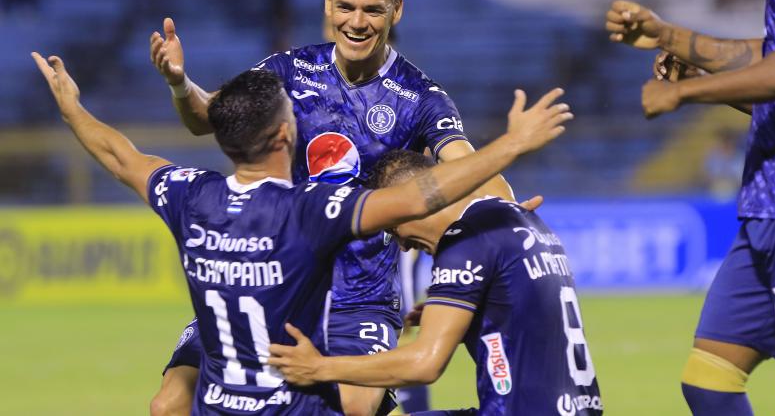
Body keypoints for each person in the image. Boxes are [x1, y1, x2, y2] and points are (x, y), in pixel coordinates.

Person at [33, 51, 572, 415]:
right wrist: (511, 146)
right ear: (287, 134)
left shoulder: (190, 196)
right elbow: (416, 199)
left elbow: (121, 156)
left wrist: (71, 107)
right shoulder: (309, 210)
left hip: (223, 400)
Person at [149, 0, 519, 416]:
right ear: (327, 3)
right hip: (270, 278)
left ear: (396, 11)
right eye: (345, 7)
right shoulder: (288, 69)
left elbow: (462, 161)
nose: (356, 22)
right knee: (169, 405)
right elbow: (207, 117)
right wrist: (180, 82)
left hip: (359, 296)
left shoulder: (421, 98)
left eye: (372, 10)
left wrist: (508, 208)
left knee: (358, 408)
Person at [604, 0, 775, 413]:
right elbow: (770, 58)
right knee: (709, 379)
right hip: (770, 210)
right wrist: (674, 39)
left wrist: (683, 90)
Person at [267, 149, 602, 416]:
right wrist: (457, 313)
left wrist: (319, 368)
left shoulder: (464, 240)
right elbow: (523, 312)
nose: (400, 244)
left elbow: (424, 364)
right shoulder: (520, 218)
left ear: (412, 206)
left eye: (393, 226)